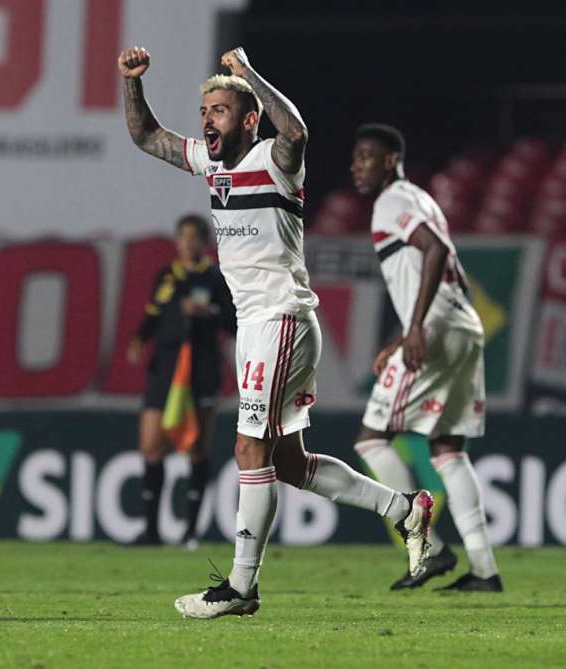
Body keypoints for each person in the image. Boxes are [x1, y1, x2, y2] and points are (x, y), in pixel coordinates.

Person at [118, 45, 434, 619]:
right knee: (287, 461)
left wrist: (250, 75)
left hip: (280, 318)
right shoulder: (211, 164)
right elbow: (146, 137)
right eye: (205, 109)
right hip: (259, 326)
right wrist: (132, 83)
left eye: (219, 110)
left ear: (247, 118)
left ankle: (241, 587)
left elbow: (299, 132)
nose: (206, 119)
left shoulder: (275, 158)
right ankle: (405, 509)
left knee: (247, 448)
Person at [349, 124, 502, 592]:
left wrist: (415, 328)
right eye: (355, 157)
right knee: (448, 450)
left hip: (434, 329)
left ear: (391, 159)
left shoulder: (391, 202)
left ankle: (429, 548)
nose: (357, 166)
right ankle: (484, 570)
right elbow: (430, 263)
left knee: (372, 439)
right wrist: (404, 333)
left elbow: (433, 251)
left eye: (367, 156)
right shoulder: (422, 199)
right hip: (463, 326)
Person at [127, 214, 235, 549]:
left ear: (205, 242)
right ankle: (151, 531)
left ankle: (190, 532)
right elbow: (153, 312)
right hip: (167, 367)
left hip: (201, 368)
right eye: (183, 237)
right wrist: (139, 338)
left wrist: (210, 313)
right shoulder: (167, 276)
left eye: (194, 237)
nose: (188, 243)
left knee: (196, 446)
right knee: (150, 445)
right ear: (177, 242)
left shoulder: (217, 278)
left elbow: (233, 323)